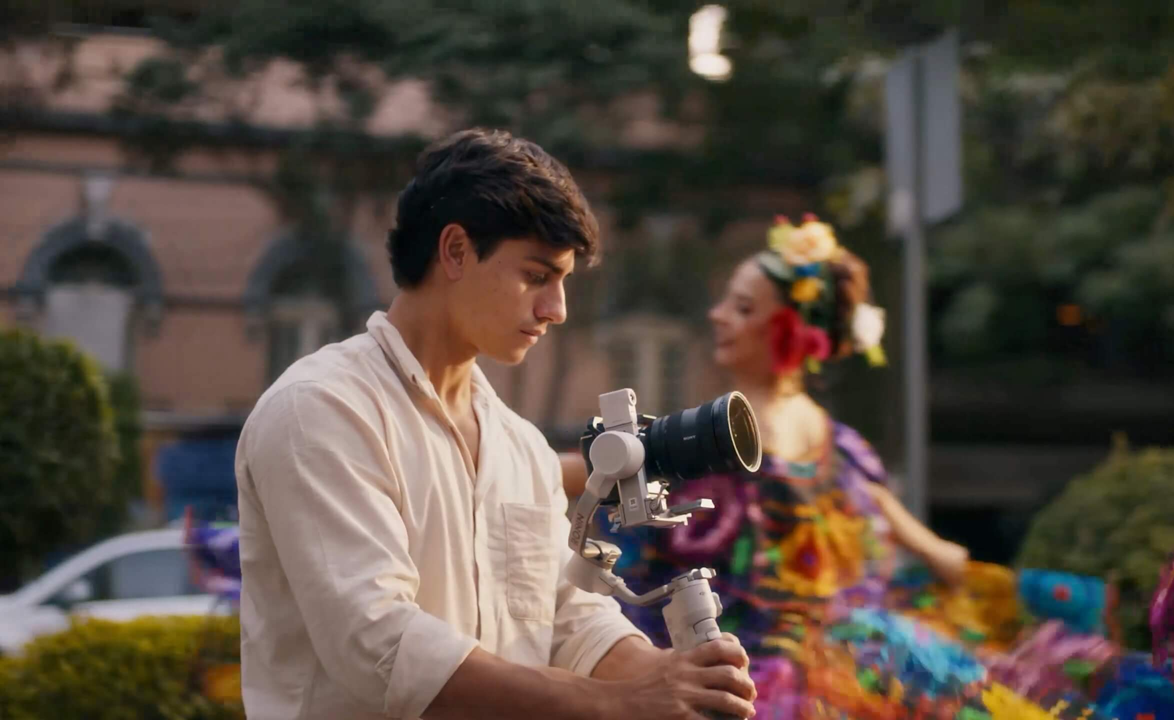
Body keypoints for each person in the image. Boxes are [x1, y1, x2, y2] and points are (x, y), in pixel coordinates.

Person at [234, 128, 756, 720]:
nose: (556, 309)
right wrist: (620, 702)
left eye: (562, 282)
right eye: (536, 276)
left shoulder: (519, 445)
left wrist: (675, 679)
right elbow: (378, 642)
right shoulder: (321, 409)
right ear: (456, 251)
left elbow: (565, 617)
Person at [565, 214, 1105, 719]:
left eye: (744, 308)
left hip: (763, 672)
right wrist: (1024, 598)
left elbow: (600, 483)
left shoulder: (724, 438)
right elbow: (934, 552)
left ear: (789, 330)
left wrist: (528, 464)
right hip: (859, 655)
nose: (718, 316)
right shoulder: (837, 443)